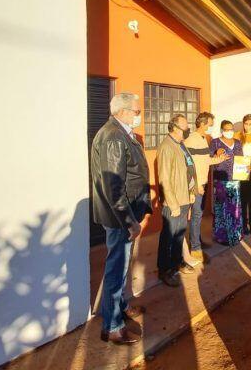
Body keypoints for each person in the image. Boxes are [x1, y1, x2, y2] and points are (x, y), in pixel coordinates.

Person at [91, 92, 151, 345]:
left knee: (122, 265)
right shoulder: (114, 137)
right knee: (117, 268)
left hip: (125, 214)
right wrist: (130, 221)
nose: (139, 115)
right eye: (137, 111)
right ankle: (112, 326)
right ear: (124, 111)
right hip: (120, 218)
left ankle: (121, 307)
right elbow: (114, 187)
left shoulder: (120, 133)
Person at [156, 114, 197, 287]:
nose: (188, 129)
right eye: (185, 127)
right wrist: (172, 204)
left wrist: (191, 192)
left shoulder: (180, 145)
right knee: (168, 236)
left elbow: (188, 169)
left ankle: (177, 262)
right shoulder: (167, 147)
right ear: (175, 128)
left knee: (179, 234)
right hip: (174, 202)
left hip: (184, 197)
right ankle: (164, 270)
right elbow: (164, 178)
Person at [184, 112, 229, 262]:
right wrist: (196, 185)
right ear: (202, 124)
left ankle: (197, 241)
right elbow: (189, 166)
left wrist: (218, 159)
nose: (211, 127)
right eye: (210, 124)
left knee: (199, 214)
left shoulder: (203, 139)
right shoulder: (191, 140)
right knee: (196, 215)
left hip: (202, 183)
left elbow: (204, 161)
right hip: (196, 185)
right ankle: (195, 248)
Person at [209, 120, 244, 246]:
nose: (229, 131)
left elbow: (242, 159)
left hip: (235, 180)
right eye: (226, 129)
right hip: (221, 180)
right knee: (221, 208)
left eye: (231, 129)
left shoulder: (238, 143)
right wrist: (215, 154)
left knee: (234, 207)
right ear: (222, 130)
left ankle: (235, 234)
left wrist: (246, 168)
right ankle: (222, 236)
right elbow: (208, 159)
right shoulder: (215, 142)